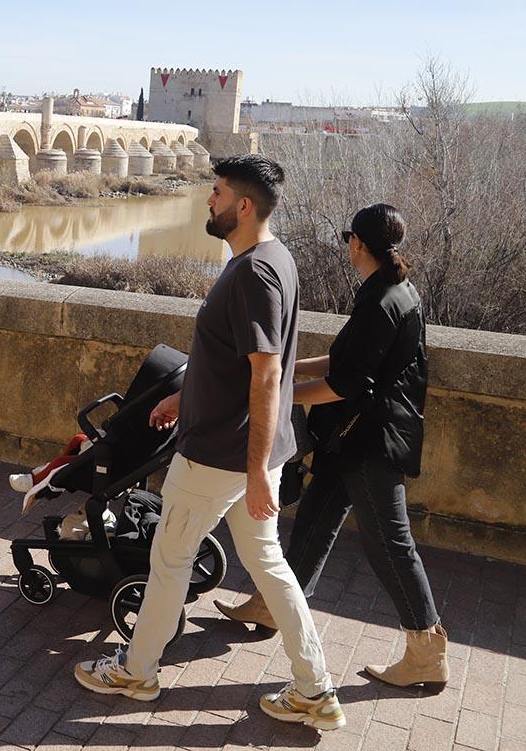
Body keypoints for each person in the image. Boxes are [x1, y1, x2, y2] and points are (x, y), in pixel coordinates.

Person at [73, 155, 345, 732]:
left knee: (169, 559)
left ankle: (136, 672)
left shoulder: (254, 275)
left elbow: (267, 374)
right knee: (268, 566)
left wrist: (250, 472)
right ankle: (315, 689)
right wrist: (184, 395)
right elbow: (229, 357)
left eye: (217, 192)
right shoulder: (274, 258)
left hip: (223, 457)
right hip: (248, 453)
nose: (208, 201)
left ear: (243, 206)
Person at [216, 204, 448, 693]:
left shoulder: (382, 301)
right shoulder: (391, 293)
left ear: (358, 244)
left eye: (348, 238)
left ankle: (426, 649)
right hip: (352, 439)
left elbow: (345, 383)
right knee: (316, 522)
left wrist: (275, 394)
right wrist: (289, 366)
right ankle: (270, 605)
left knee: (390, 544)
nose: (346, 245)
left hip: (370, 441)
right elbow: (347, 359)